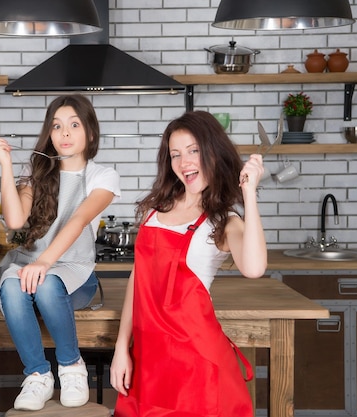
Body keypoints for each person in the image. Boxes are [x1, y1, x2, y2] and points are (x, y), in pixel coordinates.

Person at [110, 110, 267, 417]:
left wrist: (249, 194)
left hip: (198, 365)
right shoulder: (156, 209)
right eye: (175, 154)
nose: (184, 163)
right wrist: (121, 348)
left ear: (212, 151)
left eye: (194, 150)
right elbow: (138, 278)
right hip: (149, 360)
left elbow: (254, 268)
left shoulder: (224, 221)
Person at [0, 94, 121, 411]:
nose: (64, 133)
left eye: (74, 125)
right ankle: (37, 374)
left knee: (46, 284)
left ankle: (71, 367)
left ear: (90, 132)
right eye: (57, 126)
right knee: (10, 284)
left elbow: (78, 220)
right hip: (30, 268)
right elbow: (16, 220)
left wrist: (46, 263)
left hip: (72, 274)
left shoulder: (103, 176)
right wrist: (5, 165)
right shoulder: (38, 175)